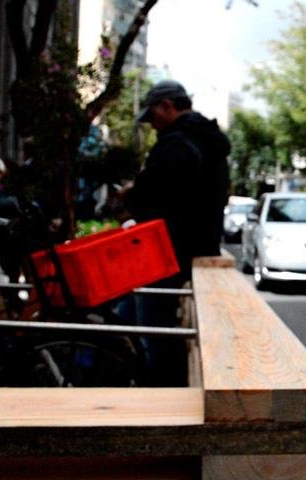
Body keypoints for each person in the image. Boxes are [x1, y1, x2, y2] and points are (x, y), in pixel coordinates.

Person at [121, 80, 231, 386]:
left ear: (167, 106)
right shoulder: (209, 141)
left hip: (166, 252)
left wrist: (130, 193)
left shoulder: (177, 143)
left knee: (154, 334)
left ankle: (161, 399)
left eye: (153, 117)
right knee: (134, 315)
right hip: (197, 247)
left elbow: (149, 199)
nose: (153, 126)